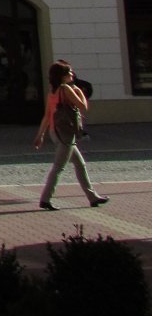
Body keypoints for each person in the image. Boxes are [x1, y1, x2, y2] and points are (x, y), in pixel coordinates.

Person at [35, 59, 108, 211]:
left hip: (56, 131)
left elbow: (47, 116)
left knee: (80, 164)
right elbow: (83, 106)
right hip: (66, 132)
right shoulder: (66, 89)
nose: (71, 74)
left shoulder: (52, 92)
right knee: (58, 166)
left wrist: (40, 135)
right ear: (61, 76)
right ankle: (45, 199)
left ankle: (92, 197)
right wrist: (79, 91)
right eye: (68, 72)